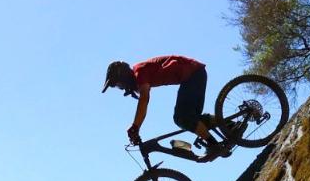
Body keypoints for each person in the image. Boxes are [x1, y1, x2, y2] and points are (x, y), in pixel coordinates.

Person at [101, 55, 239, 156]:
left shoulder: (140, 72)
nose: (120, 88)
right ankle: (230, 126)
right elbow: (143, 100)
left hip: (193, 73)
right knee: (190, 119)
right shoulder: (139, 74)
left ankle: (214, 145)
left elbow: (144, 100)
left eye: (118, 84)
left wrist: (135, 126)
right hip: (193, 75)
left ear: (123, 76)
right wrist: (136, 127)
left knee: (182, 118)